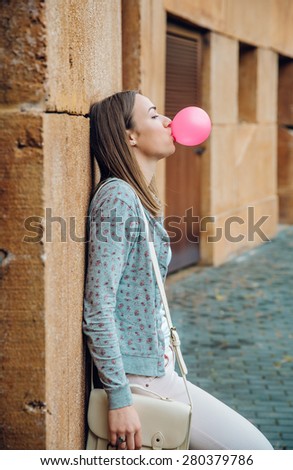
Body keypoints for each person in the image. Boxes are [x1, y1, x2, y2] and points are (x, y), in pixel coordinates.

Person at [83, 90, 273, 451]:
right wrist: (120, 398)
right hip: (141, 379)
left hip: (155, 369)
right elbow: (97, 307)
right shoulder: (118, 197)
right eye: (154, 115)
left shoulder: (138, 196)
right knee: (257, 451)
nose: (171, 121)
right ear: (130, 136)